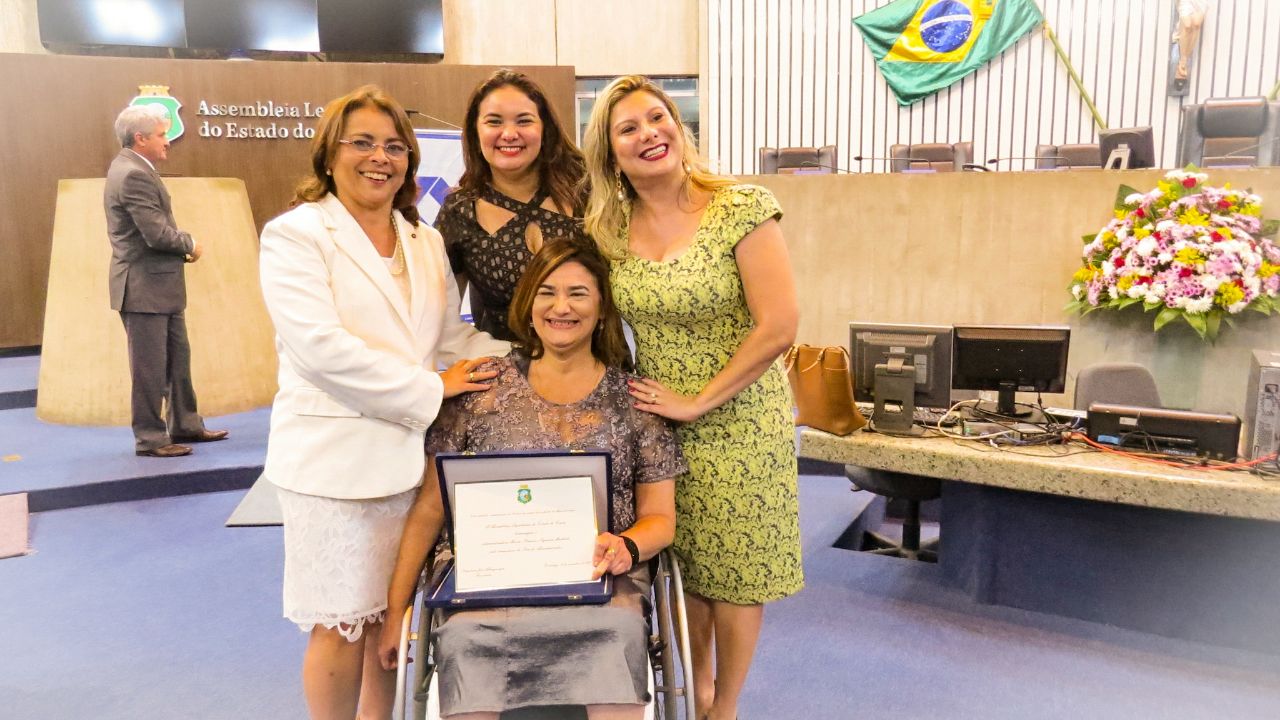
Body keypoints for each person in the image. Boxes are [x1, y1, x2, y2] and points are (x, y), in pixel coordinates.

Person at [257, 85, 510, 720]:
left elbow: (449, 338)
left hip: (409, 464)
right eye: (363, 143)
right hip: (333, 466)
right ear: (329, 154)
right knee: (341, 624)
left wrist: (542, 354)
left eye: (395, 146)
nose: (380, 158)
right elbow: (320, 348)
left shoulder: (422, 239)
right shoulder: (295, 235)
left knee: (388, 622)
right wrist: (433, 388)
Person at [378, 238, 685, 720]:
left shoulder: (634, 402)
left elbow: (660, 519)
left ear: (602, 308)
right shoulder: (480, 389)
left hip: (600, 575)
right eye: (547, 292)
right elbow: (430, 510)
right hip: (489, 577)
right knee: (464, 634)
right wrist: (396, 612)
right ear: (528, 303)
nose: (561, 307)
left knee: (620, 627)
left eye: (578, 293)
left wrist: (627, 545)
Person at [581, 75, 803, 720]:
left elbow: (779, 325)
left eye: (658, 118)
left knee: (736, 576)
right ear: (611, 153)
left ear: (679, 127)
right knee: (685, 566)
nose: (649, 134)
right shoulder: (608, 229)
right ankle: (695, 691)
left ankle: (723, 707)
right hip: (656, 421)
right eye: (628, 128)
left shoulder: (740, 205)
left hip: (738, 419)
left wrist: (698, 400)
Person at [105, 103, 227, 458]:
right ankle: (151, 438)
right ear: (140, 138)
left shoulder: (134, 168)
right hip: (143, 290)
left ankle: (185, 424)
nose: (168, 141)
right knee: (150, 371)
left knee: (178, 362)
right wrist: (190, 243)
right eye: (161, 135)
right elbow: (157, 235)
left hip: (160, 287)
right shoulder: (133, 174)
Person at [434, 69, 589, 341]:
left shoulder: (586, 192)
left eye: (524, 121)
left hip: (595, 360)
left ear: (545, 129)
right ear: (475, 132)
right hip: (505, 362)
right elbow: (443, 322)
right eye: (494, 122)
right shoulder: (458, 211)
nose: (509, 134)